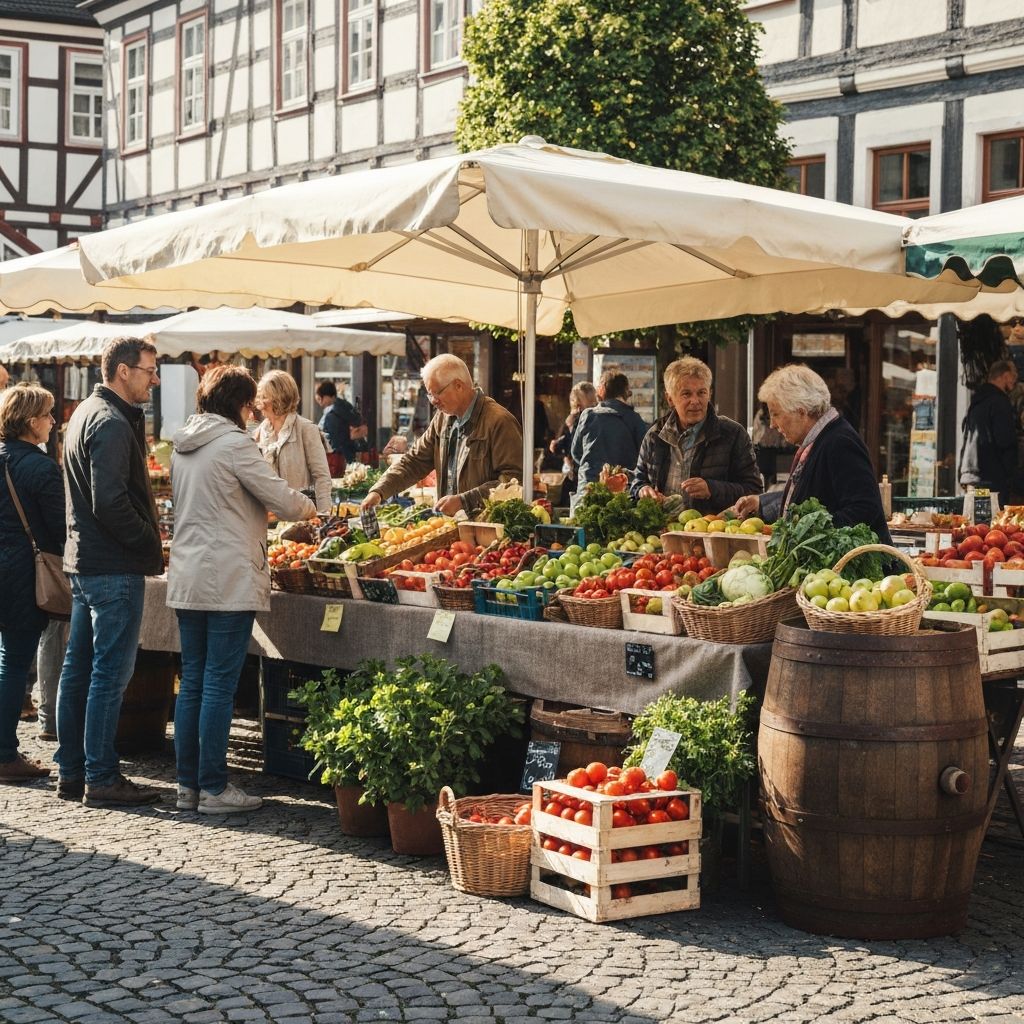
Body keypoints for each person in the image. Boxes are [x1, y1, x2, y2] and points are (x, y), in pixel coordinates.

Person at [168, 366, 317, 814]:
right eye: (250, 403)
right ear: (238, 404)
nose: (253, 411)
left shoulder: (183, 445)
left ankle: (187, 786)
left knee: (193, 680)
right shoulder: (234, 444)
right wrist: (310, 504)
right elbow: (283, 499)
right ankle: (213, 788)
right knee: (217, 683)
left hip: (189, 574)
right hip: (229, 575)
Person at [56, 336, 164, 808]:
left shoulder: (84, 413)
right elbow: (110, 502)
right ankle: (99, 777)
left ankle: (71, 771)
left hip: (86, 561)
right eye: (149, 370)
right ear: (123, 371)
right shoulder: (112, 422)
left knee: (78, 671)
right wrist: (149, 539)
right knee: (106, 675)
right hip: (110, 565)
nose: (155, 379)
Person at [733, 364, 890, 542]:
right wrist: (762, 503)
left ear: (801, 411)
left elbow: (864, 509)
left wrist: (808, 534)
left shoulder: (839, 442)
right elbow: (812, 499)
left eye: (775, 414)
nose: (772, 425)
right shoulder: (820, 440)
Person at [361, 354, 522, 517]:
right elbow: (414, 461)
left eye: (436, 393)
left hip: (486, 527)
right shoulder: (442, 419)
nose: (433, 401)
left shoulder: (499, 421)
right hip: (451, 525)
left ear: (458, 385)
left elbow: (513, 481)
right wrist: (379, 490)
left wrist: (464, 501)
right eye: (429, 394)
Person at [0, 384, 64, 783]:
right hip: (24, 574)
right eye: (48, 415)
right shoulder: (41, 468)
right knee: (14, 663)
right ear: (29, 421)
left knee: (7, 661)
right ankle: (5, 753)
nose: (53, 422)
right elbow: (60, 532)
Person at [632, 356, 763, 515]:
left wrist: (712, 489)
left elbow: (754, 490)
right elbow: (637, 481)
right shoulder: (654, 435)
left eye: (701, 393)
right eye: (686, 394)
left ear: (710, 394)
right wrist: (642, 490)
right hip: (661, 533)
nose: (695, 401)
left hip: (712, 532)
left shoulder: (733, 434)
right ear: (670, 399)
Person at [254, 370, 332, 514]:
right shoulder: (259, 433)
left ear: (279, 399)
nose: (259, 404)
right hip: (267, 518)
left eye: (264, 397)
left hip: (300, 516)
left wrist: (323, 515)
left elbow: (322, 477)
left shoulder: (306, 429)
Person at [570, 370, 648, 507]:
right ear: (626, 392)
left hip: (588, 491)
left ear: (602, 389)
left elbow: (576, 453)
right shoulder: (635, 420)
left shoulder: (588, 415)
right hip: (621, 496)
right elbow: (644, 459)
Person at [959, 358, 1019, 502]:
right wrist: (1012, 475)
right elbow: (1005, 440)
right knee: (994, 520)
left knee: (976, 519)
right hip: (991, 477)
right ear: (1005, 376)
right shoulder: (999, 402)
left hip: (971, 477)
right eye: (1014, 376)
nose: (1015, 381)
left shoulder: (977, 402)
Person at [550, 382, 597, 489]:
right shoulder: (576, 419)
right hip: (583, 471)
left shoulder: (578, 419)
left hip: (580, 471)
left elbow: (571, 447)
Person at [315, 379, 367, 476]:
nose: (319, 402)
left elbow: (361, 427)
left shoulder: (340, 409)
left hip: (341, 456)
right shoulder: (335, 408)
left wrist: (350, 435)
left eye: (320, 398)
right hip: (338, 455)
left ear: (326, 397)